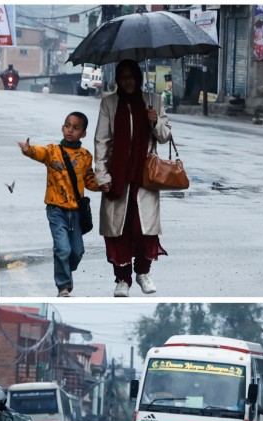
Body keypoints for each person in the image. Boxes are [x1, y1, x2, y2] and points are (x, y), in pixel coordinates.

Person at [94, 59, 172, 297]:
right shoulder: (109, 103)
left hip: (144, 176)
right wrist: (102, 175)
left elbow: (165, 136)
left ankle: (143, 273)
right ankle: (122, 279)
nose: (127, 81)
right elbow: (102, 140)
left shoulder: (154, 101)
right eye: (122, 77)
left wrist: (154, 120)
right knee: (119, 229)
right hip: (117, 177)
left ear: (138, 78)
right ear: (117, 80)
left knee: (143, 228)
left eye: (131, 76)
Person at [18, 112, 101, 297]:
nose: (70, 130)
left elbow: (89, 181)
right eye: (67, 125)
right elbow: (38, 152)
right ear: (63, 128)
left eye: (76, 127)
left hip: (76, 212)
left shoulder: (86, 156)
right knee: (62, 249)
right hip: (56, 210)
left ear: (83, 133)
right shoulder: (52, 151)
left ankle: (65, 268)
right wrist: (28, 149)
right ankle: (63, 287)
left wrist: (104, 185)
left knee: (77, 252)